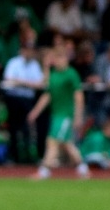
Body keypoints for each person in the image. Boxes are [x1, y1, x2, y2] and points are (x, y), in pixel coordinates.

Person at [26, 45, 90, 180]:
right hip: (56, 114)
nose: (58, 61)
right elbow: (47, 95)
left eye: (61, 57)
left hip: (66, 114)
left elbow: (78, 96)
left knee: (52, 141)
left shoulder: (71, 74)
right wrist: (35, 111)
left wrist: (78, 116)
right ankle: (83, 169)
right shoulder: (54, 75)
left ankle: (45, 170)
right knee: (67, 144)